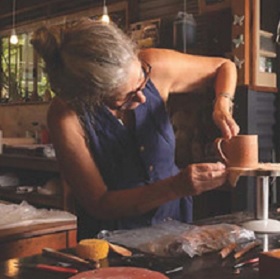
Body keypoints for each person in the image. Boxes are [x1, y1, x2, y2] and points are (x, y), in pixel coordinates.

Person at [31, 18, 240, 241]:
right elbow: (99, 203)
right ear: (91, 97)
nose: (142, 96)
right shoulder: (66, 115)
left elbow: (224, 67)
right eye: (127, 97)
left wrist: (222, 105)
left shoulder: (154, 65)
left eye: (142, 79)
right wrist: (176, 187)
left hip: (175, 228)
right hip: (113, 241)